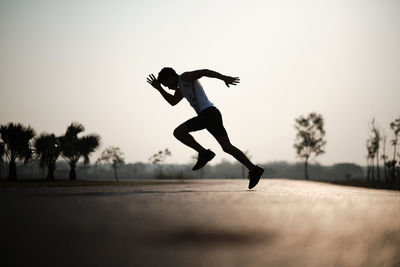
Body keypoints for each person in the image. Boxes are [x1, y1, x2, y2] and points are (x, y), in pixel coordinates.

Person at [147, 68, 264, 189]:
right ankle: (254, 169)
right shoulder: (181, 87)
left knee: (178, 132)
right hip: (212, 114)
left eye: (166, 85)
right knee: (227, 147)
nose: (168, 88)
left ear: (170, 77)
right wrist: (159, 88)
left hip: (208, 114)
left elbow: (204, 72)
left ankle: (204, 153)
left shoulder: (184, 77)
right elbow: (173, 101)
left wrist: (224, 77)